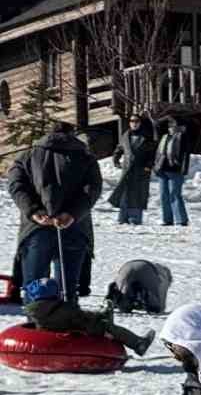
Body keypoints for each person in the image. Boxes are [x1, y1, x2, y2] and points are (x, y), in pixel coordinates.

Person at [6, 121, 102, 298]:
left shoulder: (27, 156)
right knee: (67, 290)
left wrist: (34, 210)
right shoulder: (86, 157)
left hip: (36, 227)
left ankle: (36, 321)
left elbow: (16, 185)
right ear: (72, 135)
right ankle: (66, 321)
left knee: (35, 287)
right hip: (74, 226)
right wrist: (72, 213)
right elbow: (92, 188)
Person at [20, 276, 154, 355]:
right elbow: (80, 317)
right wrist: (97, 316)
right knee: (108, 327)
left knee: (98, 320)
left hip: (51, 332)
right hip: (73, 331)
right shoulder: (63, 308)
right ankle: (137, 343)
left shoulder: (34, 311)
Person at [109, 113, 155, 226]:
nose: (134, 123)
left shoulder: (147, 136)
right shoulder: (125, 135)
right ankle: (122, 217)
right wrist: (115, 159)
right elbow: (119, 149)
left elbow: (152, 154)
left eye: (136, 121)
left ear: (140, 123)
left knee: (137, 194)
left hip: (140, 170)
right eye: (132, 121)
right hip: (127, 169)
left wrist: (149, 166)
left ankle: (135, 218)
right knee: (124, 193)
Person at [154, 116, 191, 227]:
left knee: (174, 194)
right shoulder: (165, 137)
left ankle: (181, 220)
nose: (171, 127)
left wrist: (184, 167)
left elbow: (185, 154)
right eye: (170, 125)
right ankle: (167, 219)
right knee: (163, 195)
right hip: (162, 169)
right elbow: (159, 151)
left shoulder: (182, 137)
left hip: (175, 169)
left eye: (174, 125)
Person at [105, 259, 173, 314]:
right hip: (148, 270)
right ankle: (137, 297)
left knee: (124, 293)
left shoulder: (160, 268)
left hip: (126, 268)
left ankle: (117, 299)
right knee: (156, 307)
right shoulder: (164, 279)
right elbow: (161, 306)